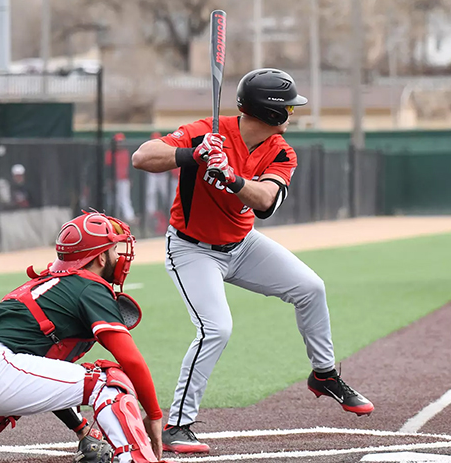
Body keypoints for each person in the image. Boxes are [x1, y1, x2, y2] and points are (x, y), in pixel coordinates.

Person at [131, 68, 374, 454]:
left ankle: (324, 375)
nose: (293, 116)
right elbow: (142, 156)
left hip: (243, 245)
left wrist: (232, 177)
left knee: (311, 288)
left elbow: (266, 203)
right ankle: (178, 424)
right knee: (217, 329)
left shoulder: (281, 151)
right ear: (273, 112)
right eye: (289, 109)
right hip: (192, 249)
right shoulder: (204, 130)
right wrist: (192, 154)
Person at [0, 211, 168, 463]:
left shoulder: (51, 283)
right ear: (100, 257)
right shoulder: (90, 287)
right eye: (114, 249)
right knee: (110, 381)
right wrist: (154, 416)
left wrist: (80, 428)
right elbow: (131, 361)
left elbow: (43, 373)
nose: (119, 256)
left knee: (7, 397)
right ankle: (138, 459)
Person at [144, 131, 171, 235]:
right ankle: (151, 213)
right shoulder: (148, 148)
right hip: (152, 174)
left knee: (166, 195)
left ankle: (169, 212)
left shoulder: (164, 147)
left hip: (162, 174)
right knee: (151, 193)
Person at [107, 133, 136, 224]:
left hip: (124, 180)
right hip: (114, 180)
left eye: (121, 142)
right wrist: (109, 180)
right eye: (118, 142)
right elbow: (107, 168)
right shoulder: (110, 153)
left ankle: (130, 217)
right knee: (113, 199)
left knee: (124, 199)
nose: (119, 144)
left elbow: (130, 167)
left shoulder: (126, 153)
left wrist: (130, 178)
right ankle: (114, 217)